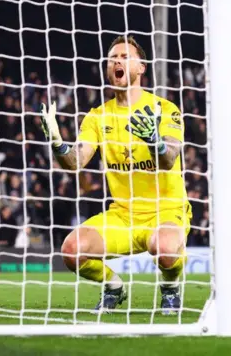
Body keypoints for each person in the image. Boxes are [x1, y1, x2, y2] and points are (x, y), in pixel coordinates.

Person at [40, 35, 190, 314]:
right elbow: (75, 163)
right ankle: (113, 286)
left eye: (124, 56)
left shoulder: (165, 109)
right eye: (112, 58)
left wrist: (154, 141)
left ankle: (170, 288)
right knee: (72, 250)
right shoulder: (97, 116)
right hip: (123, 215)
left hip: (166, 211)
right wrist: (57, 143)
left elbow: (169, 159)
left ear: (141, 67)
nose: (117, 61)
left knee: (166, 248)